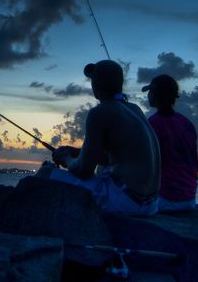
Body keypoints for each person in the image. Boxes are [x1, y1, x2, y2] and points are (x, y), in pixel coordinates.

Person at [35, 60, 161, 216]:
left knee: (45, 173)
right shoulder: (135, 109)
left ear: (95, 85)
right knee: (104, 170)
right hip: (152, 203)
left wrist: (66, 158)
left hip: (128, 202)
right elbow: (115, 157)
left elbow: (83, 171)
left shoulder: (100, 112)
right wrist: (77, 152)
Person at [142, 74, 198, 211]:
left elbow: (146, 163)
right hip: (190, 200)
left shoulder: (153, 123)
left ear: (156, 94)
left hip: (165, 200)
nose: (148, 95)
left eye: (151, 92)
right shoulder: (187, 123)